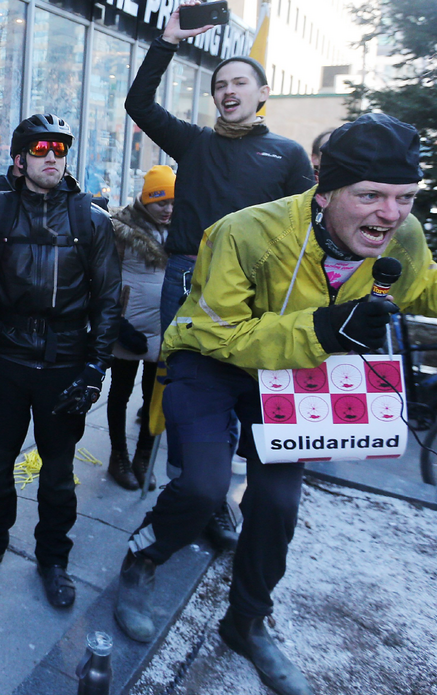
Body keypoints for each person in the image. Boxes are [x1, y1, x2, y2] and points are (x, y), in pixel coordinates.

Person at [113, 113, 437, 695]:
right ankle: (144, 559)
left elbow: (420, 287)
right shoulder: (245, 232)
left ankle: (244, 621)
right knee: (202, 485)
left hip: (297, 367)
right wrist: (324, 328)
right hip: (212, 358)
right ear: (325, 194)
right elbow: (220, 331)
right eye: (371, 195)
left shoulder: (404, 234)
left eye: (404, 197)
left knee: (277, 502)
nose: (391, 213)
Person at [125, 1, 315, 547]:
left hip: (258, 296)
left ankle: (208, 490)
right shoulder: (195, 143)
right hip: (186, 281)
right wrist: (167, 41)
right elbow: (138, 102)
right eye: (220, 85)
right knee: (187, 393)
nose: (228, 91)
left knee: (237, 392)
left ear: (262, 94)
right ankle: (192, 493)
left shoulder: (287, 156)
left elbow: (304, 237)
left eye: (239, 82)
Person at [0, 113, 121, 609]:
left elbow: (108, 299)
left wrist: (96, 368)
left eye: (59, 150)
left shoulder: (90, 218)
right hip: (6, 357)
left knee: (56, 472)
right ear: (19, 159)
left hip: (65, 362)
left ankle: (54, 558)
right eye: (41, 149)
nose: (52, 157)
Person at [105, 165, 172, 491]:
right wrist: (115, 323)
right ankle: (118, 456)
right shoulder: (120, 229)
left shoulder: (183, 228)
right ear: (147, 199)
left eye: (174, 202)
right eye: (161, 202)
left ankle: (144, 455)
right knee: (119, 391)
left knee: (154, 395)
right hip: (127, 328)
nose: (168, 209)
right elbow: (104, 277)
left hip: (164, 329)